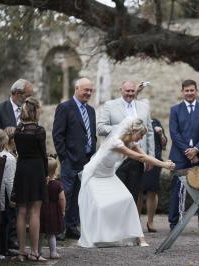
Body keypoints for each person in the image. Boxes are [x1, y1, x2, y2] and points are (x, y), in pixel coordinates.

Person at [78, 117, 175, 248]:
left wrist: (163, 163)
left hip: (108, 175)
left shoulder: (132, 143)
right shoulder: (115, 142)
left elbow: (145, 157)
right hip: (94, 175)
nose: (141, 138)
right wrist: (164, 165)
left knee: (128, 199)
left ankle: (139, 237)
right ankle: (99, 237)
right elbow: (140, 157)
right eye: (140, 135)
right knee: (100, 206)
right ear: (132, 131)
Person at [52, 78, 96, 240]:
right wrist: (65, 158)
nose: (88, 93)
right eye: (86, 90)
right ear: (76, 88)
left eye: (91, 90)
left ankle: (72, 226)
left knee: (80, 195)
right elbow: (57, 135)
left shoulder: (91, 110)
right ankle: (60, 227)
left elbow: (91, 134)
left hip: (87, 161)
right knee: (66, 195)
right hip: (70, 161)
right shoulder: (65, 108)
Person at [97, 80, 155, 203]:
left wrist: (151, 156)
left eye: (132, 91)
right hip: (117, 157)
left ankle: (131, 221)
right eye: (127, 91)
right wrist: (122, 128)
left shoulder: (144, 106)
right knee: (116, 195)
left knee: (134, 195)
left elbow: (149, 132)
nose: (130, 93)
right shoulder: (110, 105)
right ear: (121, 91)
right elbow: (100, 128)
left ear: (136, 91)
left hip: (138, 157)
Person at [168, 79, 199, 236]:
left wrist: (197, 149)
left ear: (196, 90)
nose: (189, 93)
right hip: (179, 156)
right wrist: (188, 150)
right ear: (182, 92)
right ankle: (174, 225)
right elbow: (174, 132)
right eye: (186, 90)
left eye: (192, 90)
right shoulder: (175, 110)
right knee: (177, 191)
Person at [0, 79, 33, 250]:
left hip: (24, 160)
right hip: (6, 161)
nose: (28, 100)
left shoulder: (29, 108)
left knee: (21, 198)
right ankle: (8, 237)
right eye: (26, 96)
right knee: (8, 199)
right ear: (17, 94)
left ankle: (17, 235)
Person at [11, 97, 48, 261]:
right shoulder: (39, 131)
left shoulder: (18, 130)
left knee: (21, 211)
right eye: (39, 108)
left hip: (22, 169)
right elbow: (43, 154)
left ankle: (21, 251)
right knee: (35, 212)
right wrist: (46, 173)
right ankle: (34, 252)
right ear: (35, 110)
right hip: (36, 169)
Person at [138, 118, 167, 233]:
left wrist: (160, 134)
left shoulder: (156, 122)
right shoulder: (137, 121)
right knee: (138, 191)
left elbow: (164, 143)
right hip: (139, 160)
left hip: (155, 161)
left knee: (152, 191)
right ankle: (135, 221)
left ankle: (150, 222)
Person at [38, 157, 65, 259]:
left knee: (39, 233)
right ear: (55, 170)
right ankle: (53, 252)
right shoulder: (58, 184)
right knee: (51, 234)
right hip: (53, 211)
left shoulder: (40, 183)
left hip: (40, 209)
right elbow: (62, 199)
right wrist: (62, 210)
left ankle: (38, 252)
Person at [0, 129, 16, 256]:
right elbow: (9, 181)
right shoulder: (9, 158)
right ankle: (4, 248)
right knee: (6, 222)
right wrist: (12, 199)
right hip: (4, 195)